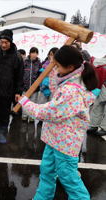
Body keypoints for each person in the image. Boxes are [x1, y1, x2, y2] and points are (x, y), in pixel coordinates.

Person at [18, 45, 98, 200]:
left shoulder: (72, 91)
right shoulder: (68, 79)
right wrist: (55, 68)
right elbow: (55, 88)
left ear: (70, 67)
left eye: (57, 66)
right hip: (53, 139)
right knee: (47, 173)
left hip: (65, 145)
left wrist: (25, 103)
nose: (55, 69)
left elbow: (49, 112)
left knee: (70, 180)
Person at [22, 47, 42, 121]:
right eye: (33, 52)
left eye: (36, 53)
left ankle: (31, 117)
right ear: (30, 53)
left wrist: (38, 85)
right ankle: (24, 116)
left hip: (35, 88)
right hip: (25, 86)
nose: (34, 54)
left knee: (33, 103)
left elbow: (40, 75)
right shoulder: (25, 62)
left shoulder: (39, 63)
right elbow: (21, 74)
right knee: (24, 102)